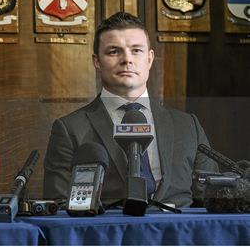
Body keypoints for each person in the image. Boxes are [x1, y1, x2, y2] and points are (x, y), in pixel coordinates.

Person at [43, 12, 217, 207]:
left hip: (179, 233)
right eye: (113, 51)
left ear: (150, 58)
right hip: (110, 233)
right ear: (96, 61)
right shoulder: (70, 129)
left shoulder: (188, 125)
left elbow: (213, 197)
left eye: (136, 50)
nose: (127, 59)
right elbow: (58, 203)